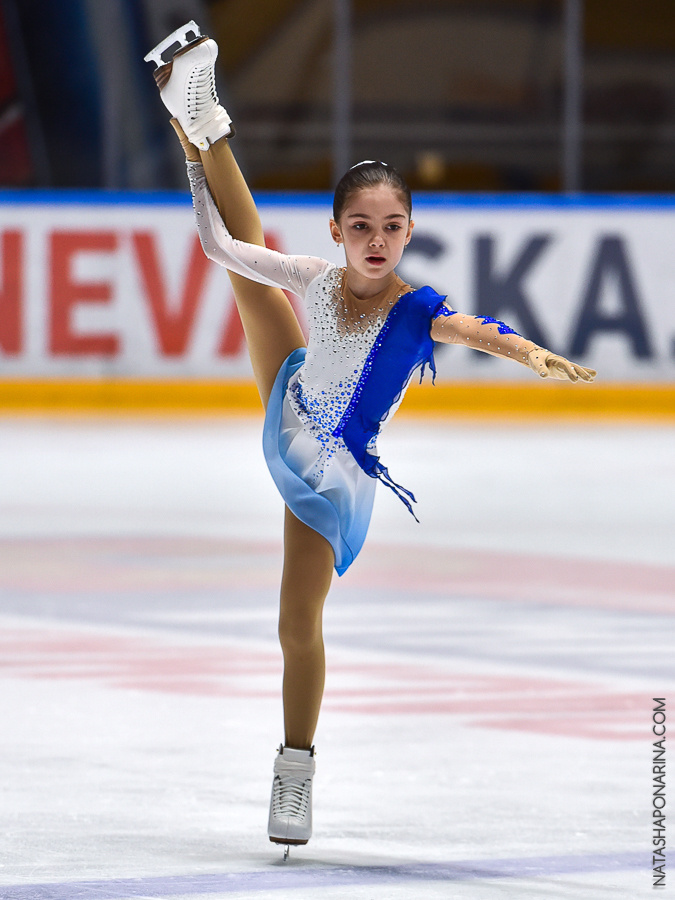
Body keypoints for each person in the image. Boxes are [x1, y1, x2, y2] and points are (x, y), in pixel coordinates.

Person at [144, 22, 596, 854]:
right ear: (337, 232)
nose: (377, 241)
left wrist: (528, 350)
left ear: (410, 231)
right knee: (252, 283)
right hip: (293, 394)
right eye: (360, 226)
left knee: (295, 623)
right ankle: (203, 118)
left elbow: (475, 329)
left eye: (391, 226)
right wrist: (183, 149)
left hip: (331, 466)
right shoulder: (316, 281)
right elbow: (224, 247)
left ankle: (295, 765)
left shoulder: (413, 310)